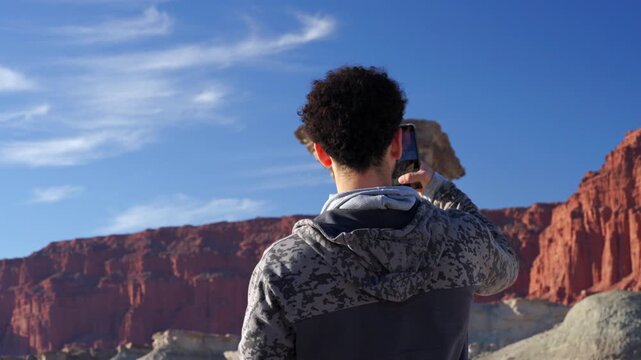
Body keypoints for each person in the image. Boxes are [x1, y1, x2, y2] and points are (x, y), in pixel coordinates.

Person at [239, 66, 519, 360]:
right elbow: (505, 266)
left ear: (322, 154)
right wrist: (441, 190)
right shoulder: (460, 240)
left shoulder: (283, 267)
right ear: (397, 144)